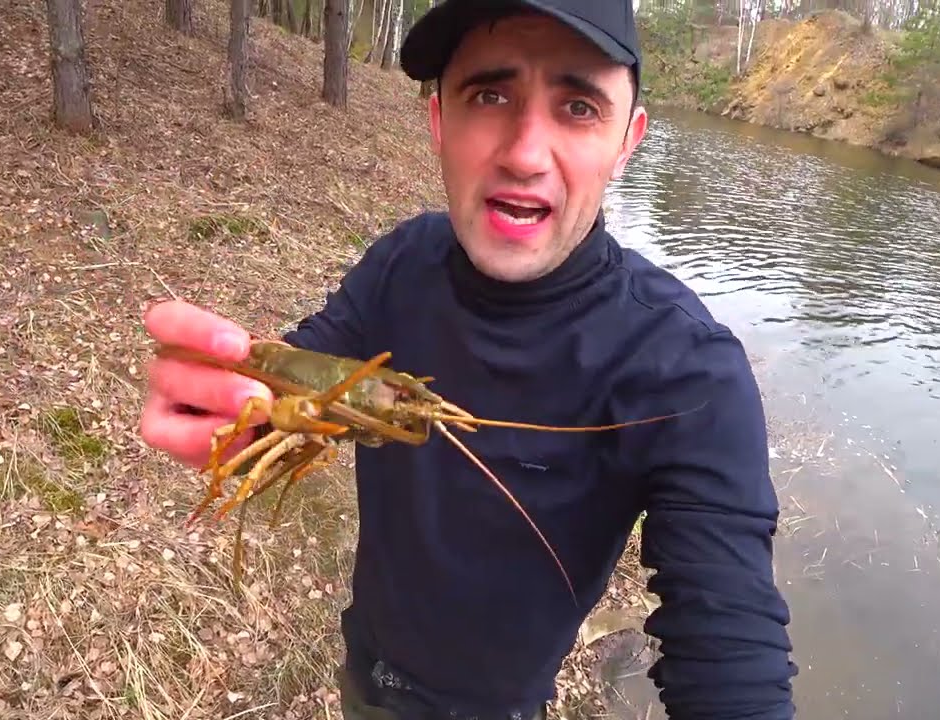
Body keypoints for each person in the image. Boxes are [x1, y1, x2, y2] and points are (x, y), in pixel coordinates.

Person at [139, 1, 798, 718]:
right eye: (489, 95)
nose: (523, 152)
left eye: (578, 106)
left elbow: (729, 644)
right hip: (364, 664)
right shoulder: (402, 261)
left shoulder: (689, 373)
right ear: (437, 122)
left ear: (626, 142)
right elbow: (306, 362)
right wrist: (236, 410)